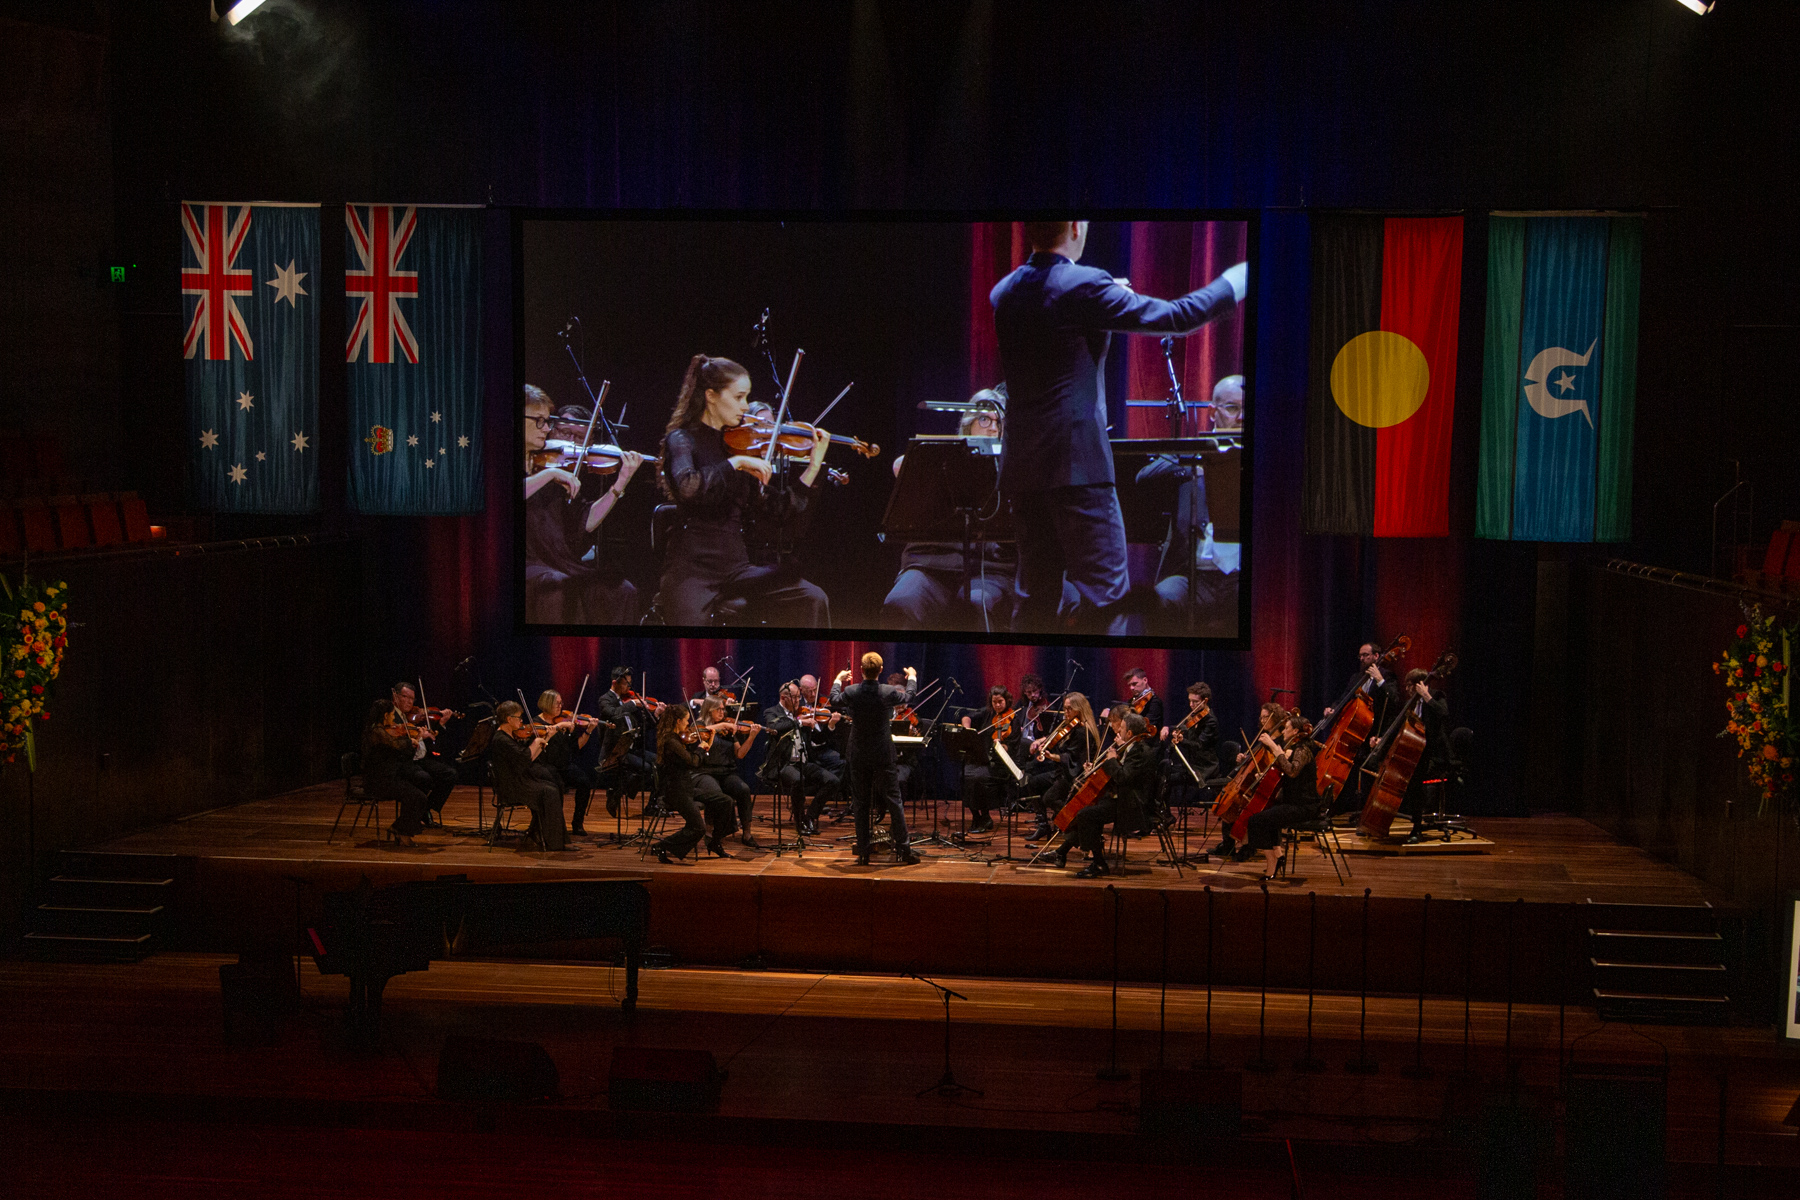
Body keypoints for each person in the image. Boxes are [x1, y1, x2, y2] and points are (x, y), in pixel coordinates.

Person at [990, 220, 1246, 634]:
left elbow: (1054, 326)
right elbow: (1177, 317)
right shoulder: (1085, 285)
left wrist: (1101, 299)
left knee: (1034, 599)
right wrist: (1235, 281)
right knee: (1108, 599)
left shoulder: (1005, 290)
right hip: (1077, 469)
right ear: (1075, 227)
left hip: (1023, 470)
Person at [652, 355, 831, 628]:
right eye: (739, 397)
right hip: (691, 573)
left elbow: (778, 510)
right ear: (711, 396)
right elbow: (689, 488)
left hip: (736, 571)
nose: (745, 406)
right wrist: (735, 464)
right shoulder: (684, 439)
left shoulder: (740, 446)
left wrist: (813, 467)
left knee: (812, 597)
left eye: (746, 397)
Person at [880, 392, 1018, 631]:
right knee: (900, 602)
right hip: (931, 564)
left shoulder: (1014, 463)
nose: (992, 428)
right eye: (984, 420)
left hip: (989, 568)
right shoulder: (942, 457)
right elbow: (900, 464)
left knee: (977, 605)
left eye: (999, 422)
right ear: (968, 423)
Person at [522, 384, 642, 625]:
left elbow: (584, 521)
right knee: (555, 587)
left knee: (620, 590)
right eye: (540, 421)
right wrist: (549, 475)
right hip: (527, 561)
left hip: (556, 560)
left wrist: (620, 482)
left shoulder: (555, 469)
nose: (545, 429)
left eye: (547, 421)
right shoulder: (549, 472)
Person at [831, 653, 923, 866]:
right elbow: (909, 695)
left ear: (862, 670)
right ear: (880, 670)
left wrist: (838, 679)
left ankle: (863, 852)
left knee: (861, 802)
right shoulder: (888, 691)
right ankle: (904, 850)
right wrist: (912, 676)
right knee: (894, 800)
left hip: (859, 753)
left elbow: (834, 699)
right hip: (882, 752)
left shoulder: (851, 691)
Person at [1133, 453, 1236, 636]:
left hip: (1236, 578)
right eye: (1232, 419)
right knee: (1160, 598)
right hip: (1193, 578)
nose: (1237, 421)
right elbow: (1145, 477)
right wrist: (1194, 458)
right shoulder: (1193, 457)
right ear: (1212, 421)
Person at [1056, 710, 1159, 878]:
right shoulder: (1132, 748)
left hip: (1133, 806)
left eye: (1122, 728)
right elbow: (1120, 776)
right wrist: (1096, 771)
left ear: (1130, 733)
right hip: (1123, 798)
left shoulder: (1140, 752)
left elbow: (1122, 777)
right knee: (1089, 810)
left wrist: (1111, 759)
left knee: (1086, 815)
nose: (1118, 731)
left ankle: (1097, 863)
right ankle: (1076, 855)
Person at [1366, 668, 1452, 842]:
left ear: (1420, 685)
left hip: (1434, 753)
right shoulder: (1411, 703)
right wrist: (1381, 739)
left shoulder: (1436, 695)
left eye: (1410, 685)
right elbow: (1399, 727)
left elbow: (1444, 714)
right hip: (1416, 752)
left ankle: (1417, 828)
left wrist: (1426, 697)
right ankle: (1380, 821)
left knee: (1414, 782)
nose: (1407, 689)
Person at [1319, 643, 1405, 814]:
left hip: (1375, 732)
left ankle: (1367, 811)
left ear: (1376, 656)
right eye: (1360, 656)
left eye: (1366, 655)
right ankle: (1338, 806)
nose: (1362, 659)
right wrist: (1333, 708)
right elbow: (1345, 698)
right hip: (1356, 731)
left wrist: (1380, 680)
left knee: (1367, 773)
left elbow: (1395, 701)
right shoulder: (1356, 677)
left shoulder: (1388, 676)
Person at [1240, 714, 1324, 880]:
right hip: (1295, 802)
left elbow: (1292, 772)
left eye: (1287, 728)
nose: (1284, 731)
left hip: (1304, 806)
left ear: (1295, 731)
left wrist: (1275, 749)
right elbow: (1286, 774)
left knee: (1256, 821)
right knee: (1266, 816)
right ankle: (1277, 857)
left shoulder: (1303, 750)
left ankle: (1273, 862)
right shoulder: (1298, 748)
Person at [487, 700, 568, 851]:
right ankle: (552, 841)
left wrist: (546, 738)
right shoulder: (501, 739)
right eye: (518, 718)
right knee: (549, 792)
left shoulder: (508, 736)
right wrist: (536, 741)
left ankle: (543, 835)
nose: (521, 721)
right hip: (512, 787)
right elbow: (525, 757)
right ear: (509, 719)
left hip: (519, 781)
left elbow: (528, 759)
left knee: (552, 786)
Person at [762, 681, 841, 836]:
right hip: (782, 764)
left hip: (802, 762)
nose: (798, 701)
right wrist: (799, 722)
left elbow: (818, 739)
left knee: (833, 781)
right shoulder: (772, 712)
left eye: (799, 697)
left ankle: (809, 817)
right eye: (795, 698)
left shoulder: (802, 713)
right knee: (798, 780)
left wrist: (830, 725)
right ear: (783, 698)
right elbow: (776, 727)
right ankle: (799, 823)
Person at [1211, 701, 1288, 860]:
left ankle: (1248, 847)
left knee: (1245, 807)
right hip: (1254, 782)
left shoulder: (1280, 740)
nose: (1262, 720)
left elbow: (1279, 764)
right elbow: (1256, 761)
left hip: (1269, 787)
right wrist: (1244, 759)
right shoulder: (1263, 736)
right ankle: (1228, 845)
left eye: (1266, 717)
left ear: (1276, 718)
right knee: (1230, 801)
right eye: (1261, 717)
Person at [1029, 691, 1101, 842]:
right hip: (1063, 772)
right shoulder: (1072, 727)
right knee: (1032, 782)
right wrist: (1043, 742)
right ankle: (1044, 825)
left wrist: (1051, 756)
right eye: (1065, 708)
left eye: (1070, 709)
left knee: (1050, 798)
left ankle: (1073, 820)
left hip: (1074, 775)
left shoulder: (1082, 731)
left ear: (1079, 709)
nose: (1066, 712)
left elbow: (1071, 759)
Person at [692, 696, 761, 849]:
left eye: (724, 709)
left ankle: (747, 833)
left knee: (743, 789)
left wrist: (751, 737)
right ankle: (709, 832)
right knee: (714, 792)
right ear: (709, 710)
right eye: (719, 709)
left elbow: (740, 754)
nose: (723, 712)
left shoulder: (728, 730)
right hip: (704, 772)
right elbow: (700, 732)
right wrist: (722, 724)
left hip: (726, 772)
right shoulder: (700, 725)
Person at [360, 700, 430, 846]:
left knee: (416, 795)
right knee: (417, 797)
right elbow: (396, 746)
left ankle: (400, 828)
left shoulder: (379, 730)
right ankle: (402, 831)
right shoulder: (377, 732)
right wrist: (414, 740)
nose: (393, 719)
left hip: (387, 778)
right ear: (385, 715)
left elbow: (398, 750)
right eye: (392, 715)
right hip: (378, 782)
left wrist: (412, 741)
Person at [594, 666, 659, 820]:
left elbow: (643, 728)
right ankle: (616, 793)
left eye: (630, 684)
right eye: (626, 684)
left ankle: (652, 805)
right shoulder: (605, 699)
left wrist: (655, 714)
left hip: (631, 747)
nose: (629, 688)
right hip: (616, 750)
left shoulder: (627, 701)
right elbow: (614, 714)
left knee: (659, 762)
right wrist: (632, 704)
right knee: (647, 768)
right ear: (615, 682)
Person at [389, 682, 457, 824]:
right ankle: (417, 812)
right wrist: (419, 737)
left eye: (412, 699)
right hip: (404, 762)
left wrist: (440, 724)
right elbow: (398, 745)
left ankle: (425, 808)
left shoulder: (412, 718)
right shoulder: (391, 716)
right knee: (424, 778)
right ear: (395, 696)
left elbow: (433, 741)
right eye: (405, 697)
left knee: (450, 774)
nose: (409, 702)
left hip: (419, 759)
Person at [959, 685, 1024, 834]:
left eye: (1000, 701)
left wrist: (1002, 747)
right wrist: (968, 730)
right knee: (964, 775)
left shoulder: (1014, 720)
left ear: (1007, 700)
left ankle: (986, 817)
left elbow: (1013, 747)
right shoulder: (988, 713)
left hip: (1001, 764)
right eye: (994, 702)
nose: (997, 705)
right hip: (984, 760)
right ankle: (977, 816)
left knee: (977, 778)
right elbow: (966, 717)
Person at [535, 689, 599, 835]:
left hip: (564, 765)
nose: (561, 706)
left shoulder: (565, 721)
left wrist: (588, 730)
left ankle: (577, 823)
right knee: (558, 787)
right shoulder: (537, 723)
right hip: (546, 767)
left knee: (584, 782)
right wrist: (559, 727)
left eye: (561, 703)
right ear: (547, 704)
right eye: (557, 703)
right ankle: (557, 826)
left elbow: (575, 747)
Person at [650, 706, 707, 863]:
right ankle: (662, 846)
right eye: (686, 720)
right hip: (675, 791)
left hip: (685, 788)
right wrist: (701, 749)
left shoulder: (676, 739)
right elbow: (693, 762)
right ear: (678, 721)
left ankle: (715, 841)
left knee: (721, 800)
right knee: (698, 828)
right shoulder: (671, 742)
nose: (688, 724)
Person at [1164, 681, 1222, 812]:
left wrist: (1182, 740)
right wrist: (1168, 728)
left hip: (1205, 766)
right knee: (1164, 772)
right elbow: (1184, 727)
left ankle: (1166, 815)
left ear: (1205, 701)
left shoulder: (1210, 721)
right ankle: (1164, 814)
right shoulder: (1195, 715)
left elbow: (1199, 745)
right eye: (1190, 701)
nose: (1191, 705)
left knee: (1169, 779)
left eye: (1195, 702)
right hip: (1193, 763)